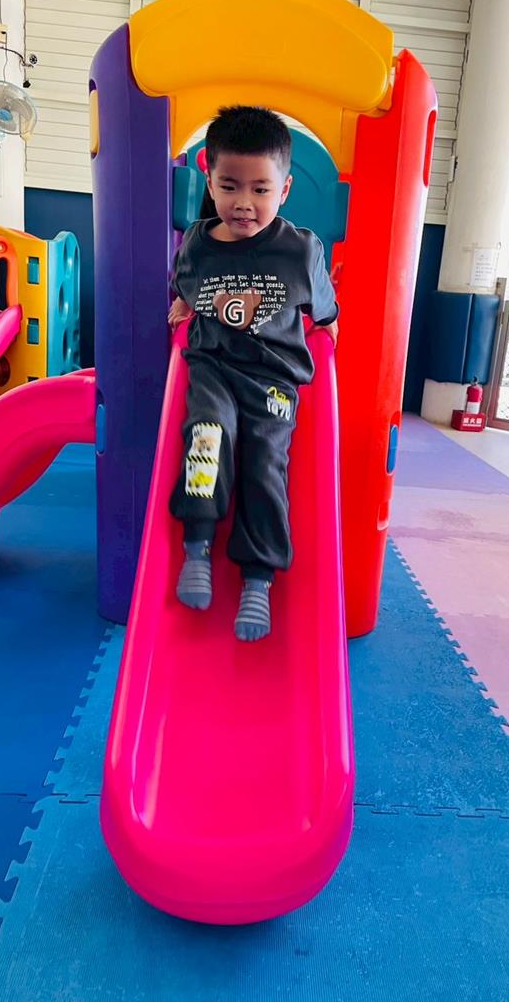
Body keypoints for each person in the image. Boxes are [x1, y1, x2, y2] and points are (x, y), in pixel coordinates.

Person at [167, 105, 339, 643]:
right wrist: (182, 302)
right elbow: (184, 284)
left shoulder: (300, 250)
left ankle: (257, 580)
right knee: (206, 438)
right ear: (209, 180)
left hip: (272, 378)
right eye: (230, 186)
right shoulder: (197, 244)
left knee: (266, 465)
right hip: (214, 366)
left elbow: (325, 310)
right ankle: (197, 545)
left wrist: (328, 328)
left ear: (283, 190)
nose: (244, 202)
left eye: (261, 189)